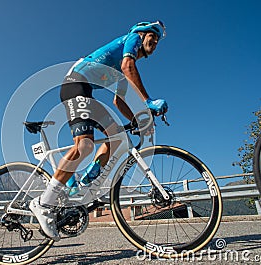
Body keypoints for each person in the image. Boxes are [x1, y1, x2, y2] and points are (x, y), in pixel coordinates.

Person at [29, 21, 169, 241]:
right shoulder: (130, 41)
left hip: (85, 92)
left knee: (116, 136)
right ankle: (44, 203)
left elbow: (119, 101)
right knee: (84, 146)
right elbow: (127, 67)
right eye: (153, 36)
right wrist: (148, 101)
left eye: (158, 40)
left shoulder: (124, 69)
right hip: (75, 85)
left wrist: (138, 120)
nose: (156, 42)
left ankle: (85, 181)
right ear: (142, 34)